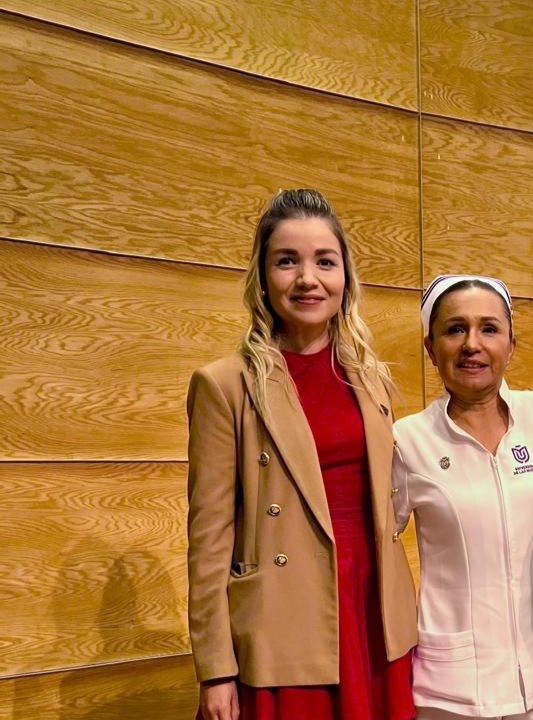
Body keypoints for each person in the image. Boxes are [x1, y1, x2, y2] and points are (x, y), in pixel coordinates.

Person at [186, 189, 417, 720]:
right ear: (263, 277)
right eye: (287, 261)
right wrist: (215, 669)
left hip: (374, 613)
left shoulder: (371, 379)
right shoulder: (225, 385)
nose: (308, 278)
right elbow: (209, 539)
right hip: (283, 623)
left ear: (345, 277)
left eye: (325, 262)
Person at [391, 275, 533, 720]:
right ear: (430, 348)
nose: (472, 344)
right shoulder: (408, 440)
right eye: (455, 329)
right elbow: (374, 548)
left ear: (511, 345)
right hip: (452, 687)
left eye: (489, 329)